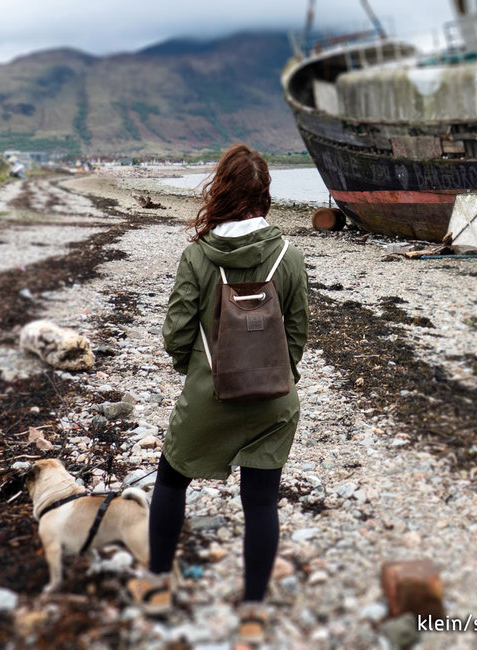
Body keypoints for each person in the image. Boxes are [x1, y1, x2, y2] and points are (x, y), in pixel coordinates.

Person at [127, 143, 309, 646]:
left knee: (170, 480)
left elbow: (175, 335)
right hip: (275, 399)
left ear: (221, 191)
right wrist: (276, 376)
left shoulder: (198, 256)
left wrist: (201, 374)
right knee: (261, 502)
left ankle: (160, 587)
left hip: (210, 398)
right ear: (266, 194)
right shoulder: (289, 256)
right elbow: (297, 335)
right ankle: (252, 614)